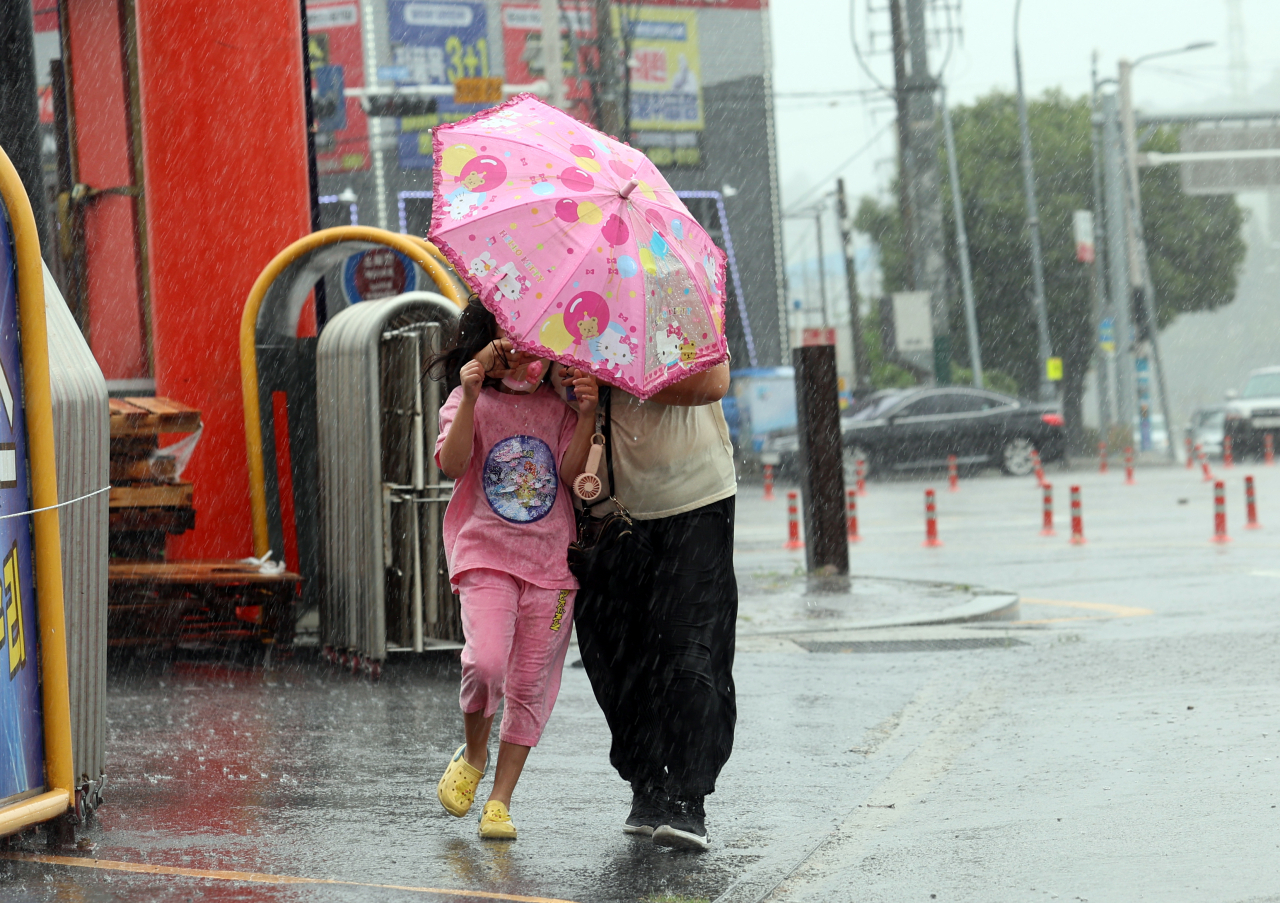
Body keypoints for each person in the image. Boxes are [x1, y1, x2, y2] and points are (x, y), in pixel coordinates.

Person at [431, 301, 599, 840]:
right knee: (485, 665)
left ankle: (500, 801)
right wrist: (473, 391)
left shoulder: (558, 408)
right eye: (513, 341)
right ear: (490, 343)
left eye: (537, 343)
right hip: (486, 555)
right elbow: (453, 466)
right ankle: (474, 756)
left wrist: (589, 414)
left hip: (550, 566)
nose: (525, 355)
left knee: (529, 686)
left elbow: (572, 478)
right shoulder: (466, 399)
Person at [573, 360, 737, 853]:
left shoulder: (686, 296)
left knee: (688, 649)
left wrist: (616, 372)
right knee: (614, 652)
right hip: (609, 509)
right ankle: (646, 785)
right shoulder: (576, 305)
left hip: (695, 496)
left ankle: (689, 798)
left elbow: (712, 383)